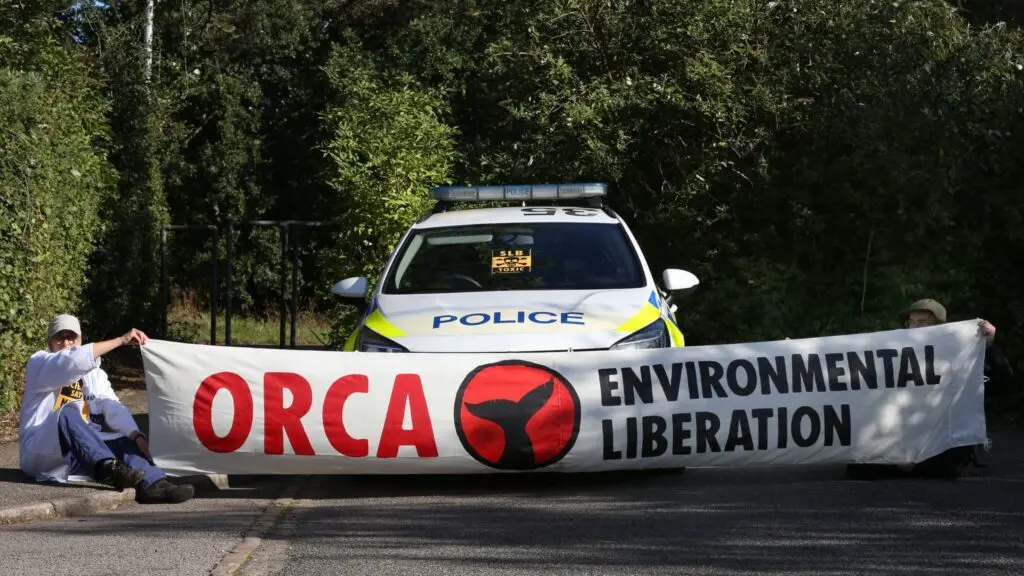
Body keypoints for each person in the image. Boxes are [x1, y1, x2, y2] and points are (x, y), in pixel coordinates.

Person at [19, 314, 194, 504]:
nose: (66, 342)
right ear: (49, 342)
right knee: (67, 411)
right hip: (44, 452)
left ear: (80, 340)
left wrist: (136, 435)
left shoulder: (95, 375)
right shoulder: (39, 363)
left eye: (72, 337)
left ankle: (153, 484)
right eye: (59, 337)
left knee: (123, 441)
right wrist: (121, 340)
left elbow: (112, 405)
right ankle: (109, 469)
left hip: (82, 455)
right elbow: (71, 361)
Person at [848, 298, 1015, 480]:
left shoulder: (957, 363)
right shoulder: (893, 363)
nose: (914, 328)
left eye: (922, 323)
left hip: (940, 449)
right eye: (911, 323)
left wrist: (989, 346)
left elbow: (1004, 383)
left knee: (949, 465)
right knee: (856, 469)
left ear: (940, 328)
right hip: (900, 445)